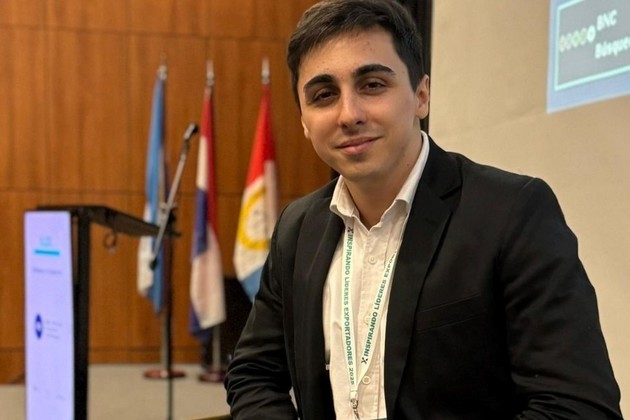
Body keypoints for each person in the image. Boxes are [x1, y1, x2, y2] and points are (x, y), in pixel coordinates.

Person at [224, 0, 623, 418]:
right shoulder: (297, 228)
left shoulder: (511, 214)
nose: (349, 114)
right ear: (305, 121)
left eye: (372, 85)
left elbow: (578, 406)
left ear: (421, 95)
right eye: (324, 95)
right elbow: (254, 373)